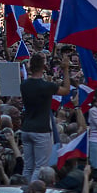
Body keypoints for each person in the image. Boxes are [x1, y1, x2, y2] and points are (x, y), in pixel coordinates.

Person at [20, 52, 70, 182]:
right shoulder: (47, 86)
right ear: (44, 67)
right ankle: (33, 192)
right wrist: (65, 69)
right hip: (41, 130)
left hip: (26, 129)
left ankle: (23, 191)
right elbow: (66, 90)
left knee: (28, 167)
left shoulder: (24, 85)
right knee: (40, 167)